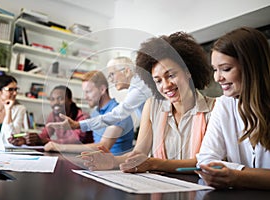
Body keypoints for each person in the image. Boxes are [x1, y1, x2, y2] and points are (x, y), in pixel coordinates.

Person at [80, 32, 215, 172]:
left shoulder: (214, 109)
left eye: (171, 75)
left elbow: (207, 161)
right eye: (158, 80)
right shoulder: (152, 106)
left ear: (188, 72)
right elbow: (140, 153)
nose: (166, 85)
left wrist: (153, 164)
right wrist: (113, 161)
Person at [196, 27, 270, 190]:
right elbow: (205, 159)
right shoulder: (224, 104)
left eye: (226, 69)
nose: (217, 78)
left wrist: (238, 176)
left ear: (252, 67)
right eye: (215, 69)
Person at [46, 56, 152, 133]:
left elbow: (116, 115)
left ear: (127, 71)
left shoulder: (138, 88)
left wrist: (77, 125)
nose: (111, 80)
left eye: (112, 74)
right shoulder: (136, 87)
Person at [44, 71, 135, 155]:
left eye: (88, 92)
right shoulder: (95, 114)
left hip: (116, 169)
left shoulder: (118, 112)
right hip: (99, 166)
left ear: (102, 90)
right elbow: (90, 144)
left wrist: (59, 146)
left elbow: (103, 147)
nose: (85, 97)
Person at [9, 85, 93, 146]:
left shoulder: (83, 117)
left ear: (70, 100)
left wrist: (44, 141)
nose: (55, 102)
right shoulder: (53, 115)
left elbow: (74, 140)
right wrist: (26, 140)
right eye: (52, 99)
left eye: (60, 98)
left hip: (84, 158)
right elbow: (44, 135)